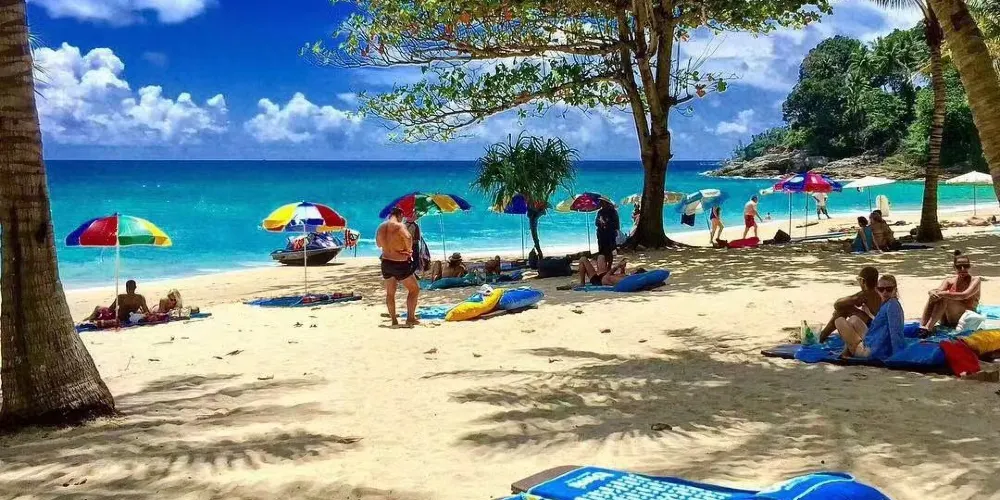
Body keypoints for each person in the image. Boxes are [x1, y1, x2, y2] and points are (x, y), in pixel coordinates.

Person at [834, 274, 905, 360]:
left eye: (889, 289)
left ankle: (847, 352)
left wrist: (897, 357)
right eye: (881, 289)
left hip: (872, 352)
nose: (884, 292)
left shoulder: (892, 305)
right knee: (854, 319)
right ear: (877, 290)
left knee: (839, 321)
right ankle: (848, 350)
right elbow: (882, 325)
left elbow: (895, 331)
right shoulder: (889, 304)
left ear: (895, 290)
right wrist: (869, 314)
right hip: (875, 342)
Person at [376, 207, 419, 327]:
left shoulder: (381, 227)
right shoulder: (400, 226)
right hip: (400, 263)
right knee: (414, 289)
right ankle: (410, 318)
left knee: (390, 293)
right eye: (402, 217)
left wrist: (389, 246)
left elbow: (379, 244)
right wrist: (408, 250)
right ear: (400, 215)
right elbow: (408, 237)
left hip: (386, 262)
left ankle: (394, 320)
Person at [920, 251, 982, 334]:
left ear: (969, 266)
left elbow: (964, 295)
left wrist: (942, 293)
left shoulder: (975, 280)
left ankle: (928, 328)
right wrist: (932, 292)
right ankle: (923, 326)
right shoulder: (949, 281)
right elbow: (938, 291)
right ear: (954, 267)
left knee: (945, 296)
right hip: (947, 320)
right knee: (934, 297)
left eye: (966, 266)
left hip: (965, 318)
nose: (963, 269)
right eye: (959, 267)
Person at [819, 266, 882, 342]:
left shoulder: (866, 294)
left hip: (875, 328)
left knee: (843, 309)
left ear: (863, 281)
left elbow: (837, 304)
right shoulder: (879, 291)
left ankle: (822, 336)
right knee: (846, 308)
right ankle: (822, 335)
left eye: (858, 280)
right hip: (878, 325)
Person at [84, 279, 151, 325]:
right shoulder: (140, 298)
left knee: (98, 307)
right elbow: (146, 311)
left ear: (126, 288)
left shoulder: (121, 297)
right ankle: (88, 318)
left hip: (118, 317)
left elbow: (110, 309)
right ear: (135, 287)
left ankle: (90, 319)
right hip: (128, 317)